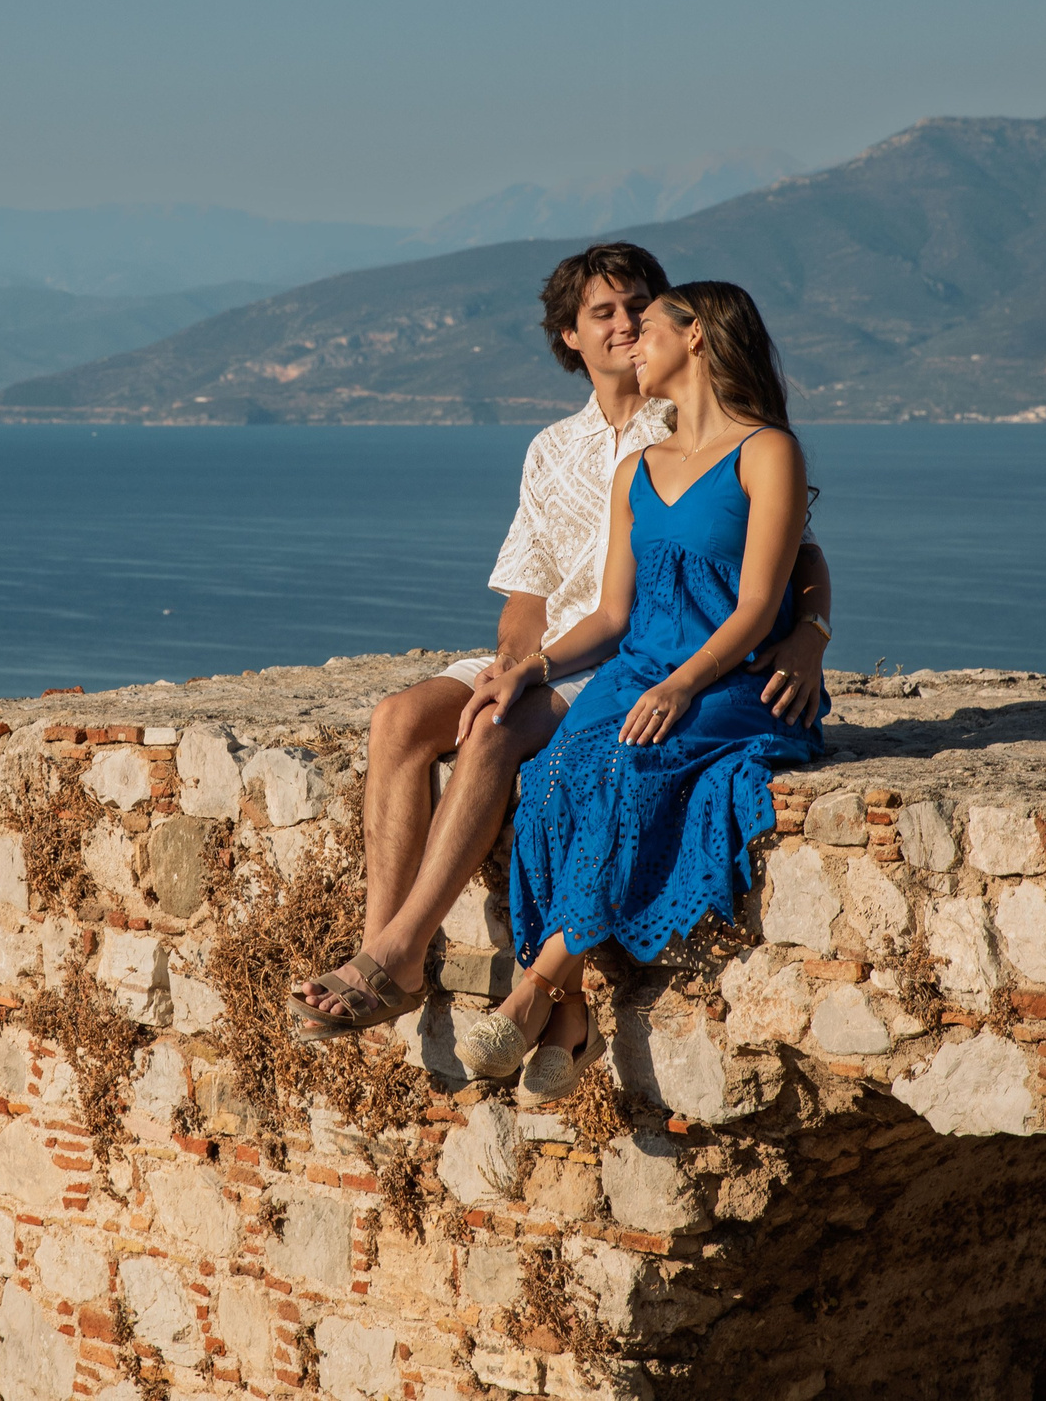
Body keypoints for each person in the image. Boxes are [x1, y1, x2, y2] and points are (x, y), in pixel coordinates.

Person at [285, 246, 834, 1040]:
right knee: (400, 721)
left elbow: (799, 558)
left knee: (494, 737)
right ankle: (383, 945)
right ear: (569, 337)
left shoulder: (694, 422)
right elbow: (526, 593)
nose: (627, 327)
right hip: (563, 651)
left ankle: (402, 960)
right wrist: (514, 667)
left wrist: (811, 634)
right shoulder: (552, 450)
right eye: (605, 314)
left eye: (640, 311)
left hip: (633, 658)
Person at [453, 280, 826, 1105]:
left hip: (728, 679)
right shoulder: (637, 468)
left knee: (630, 774)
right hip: (635, 672)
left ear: (695, 337)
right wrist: (536, 666)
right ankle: (571, 1016)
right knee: (552, 779)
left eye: (648, 326)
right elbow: (613, 615)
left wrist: (685, 685)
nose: (633, 343)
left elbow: (763, 603)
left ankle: (536, 991)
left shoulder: (767, 452)